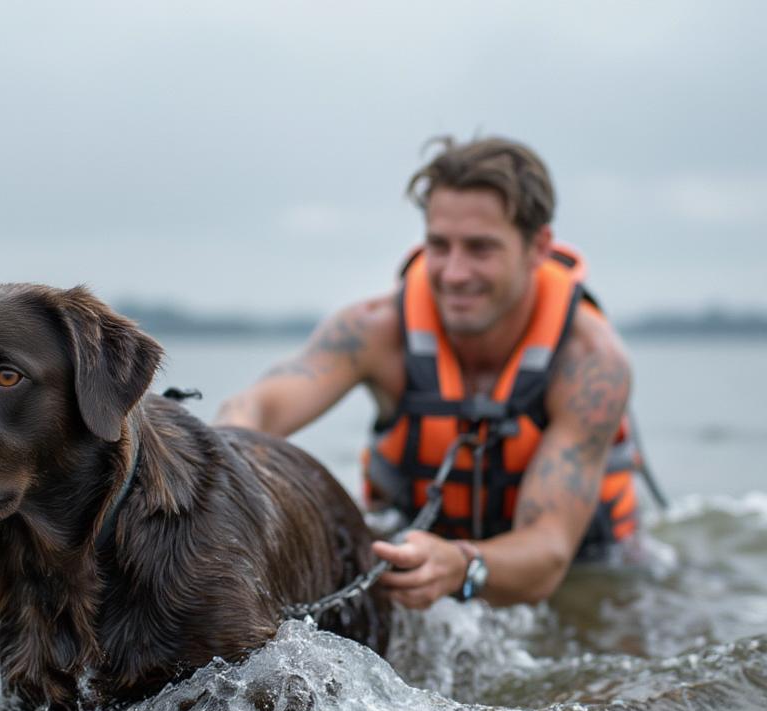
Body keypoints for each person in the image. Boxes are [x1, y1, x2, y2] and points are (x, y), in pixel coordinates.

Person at [215, 136, 640, 610]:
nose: (455, 273)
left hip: (585, 573)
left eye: (480, 249)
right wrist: (218, 478)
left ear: (539, 247)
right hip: (425, 553)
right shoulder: (374, 331)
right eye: (439, 245)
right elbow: (256, 407)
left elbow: (548, 552)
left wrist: (459, 564)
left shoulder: (591, 364)